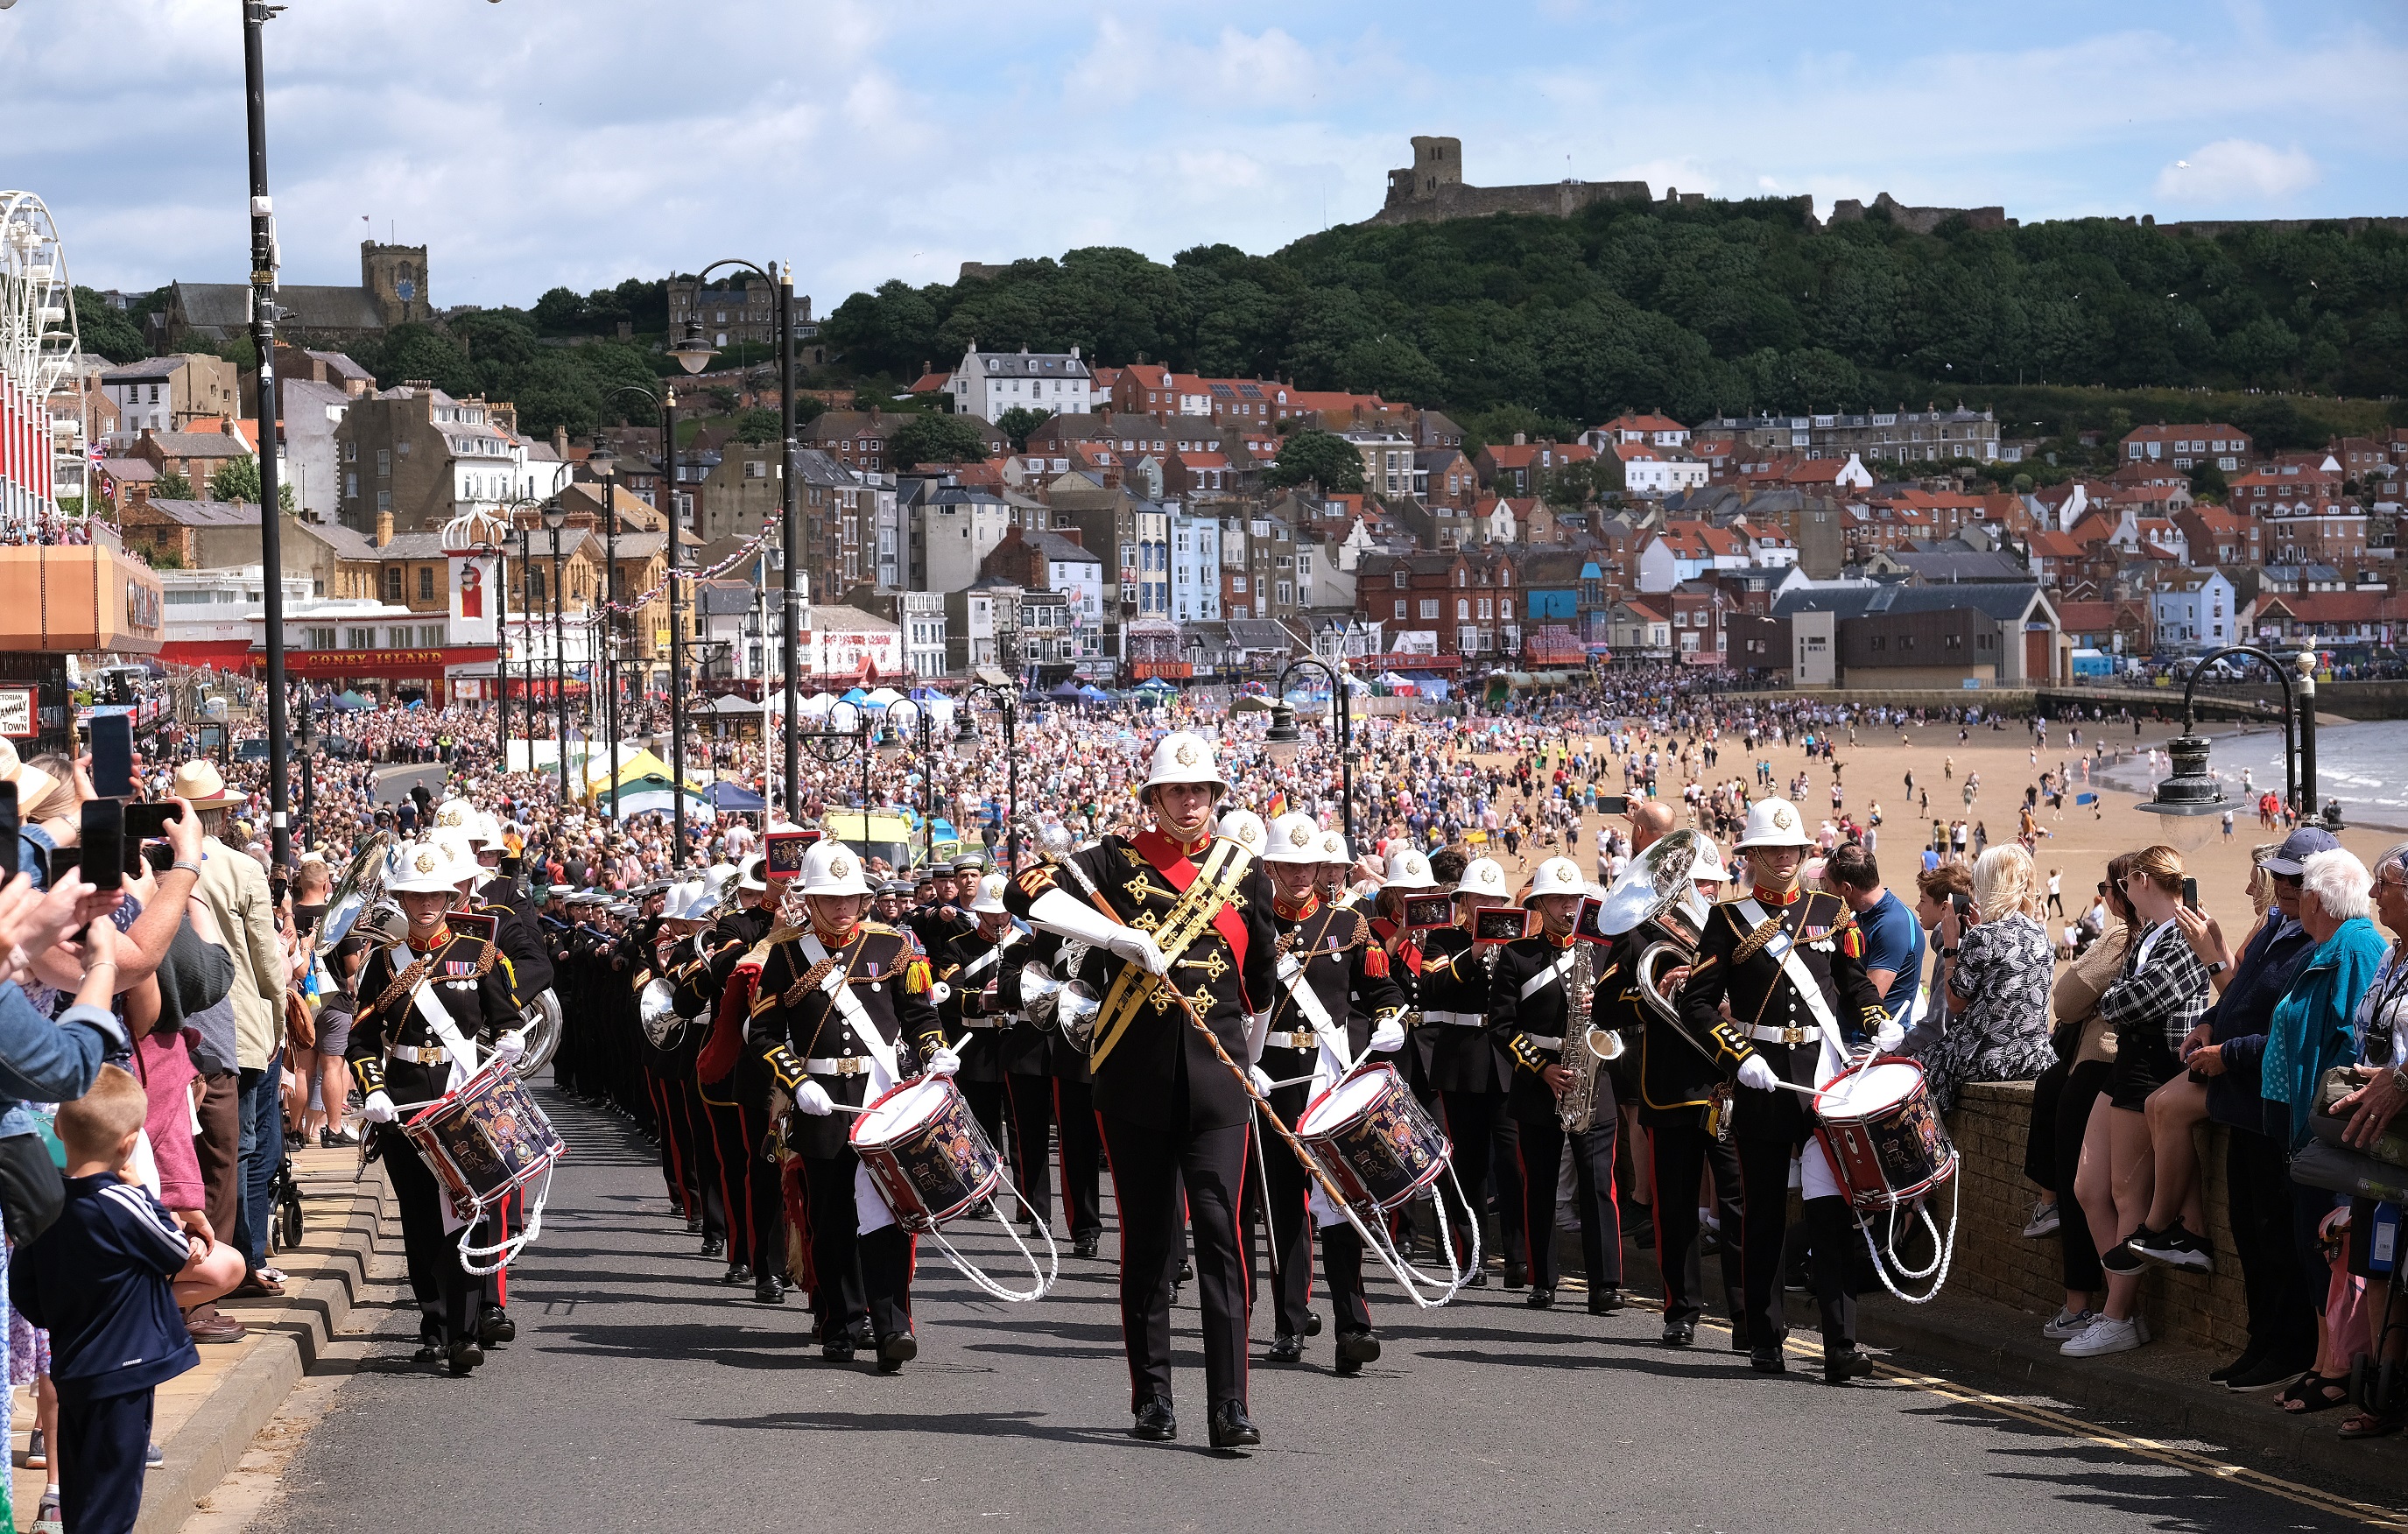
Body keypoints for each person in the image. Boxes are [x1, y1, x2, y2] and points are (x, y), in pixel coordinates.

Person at [1002, 731, 1275, 1450]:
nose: (1190, 804)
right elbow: (1023, 888)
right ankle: (1153, 1395)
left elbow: (1262, 989)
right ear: (1152, 798)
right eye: (1176, 792)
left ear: (1216, 799)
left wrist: (1248, 1067)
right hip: (1133, 1081)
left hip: (1219, 1088)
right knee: (1150, 1243)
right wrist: (1116, 939)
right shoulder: (1111, 862)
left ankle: (1230, 1405)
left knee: (1222, 1239)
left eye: (1201, 792)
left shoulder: (1246, 873)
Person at [1680, 796, 1892, 1385]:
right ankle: (1765, 1337)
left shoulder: (1831, 910)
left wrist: (1878, 1019)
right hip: (1763, 1080)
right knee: (1765, 1216)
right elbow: (1696, 1003)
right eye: (1770, 849)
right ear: (1749, 856)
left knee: (1831, 1215)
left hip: (1822, 1079)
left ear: (1804, 854)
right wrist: (1738, 1054)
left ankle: (1841, 1344)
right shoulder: (1726, 921)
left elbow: (1852, 982)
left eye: (1791, 849)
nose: (1782, 857)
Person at [11, 1066, 242, 1534]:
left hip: (73, 1366)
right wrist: (142, 1191)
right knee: (115, 1493)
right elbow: (174, 1251)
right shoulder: (123, 1199)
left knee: (80, 1487)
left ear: (59, 1128)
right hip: (127, 1370)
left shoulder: (44, 1208)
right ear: (128, 1143)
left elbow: (26, 1293)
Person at [751, 840, 944, 1372]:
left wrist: (935, 1052)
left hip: (880, 1098)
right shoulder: (786, 956)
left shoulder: (890, 946)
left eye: (852, 898)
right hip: (820, 1104)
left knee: (889, 1215)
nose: (843, 908)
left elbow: (918, 1016)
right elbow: (763, 1033)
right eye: (831, 899)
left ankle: (893, 1326)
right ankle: (840, 1320)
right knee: (832, 1218)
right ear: (809, 901)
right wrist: (794, 1082)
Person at [348, 841, 531, 1374]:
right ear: (401, 899)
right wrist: (373, 1088)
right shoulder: (384, 963)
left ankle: (467, 1329)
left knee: (472, 1213)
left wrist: (511, 1036)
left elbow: (506, 1015)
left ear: (449, 896)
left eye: (434, 895)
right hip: (404, 1098)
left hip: (464, 1093)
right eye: (414, 895)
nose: (425, 904)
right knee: (422, 1218)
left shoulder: (480, 953)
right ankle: (434, 1324)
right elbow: (360, 1039)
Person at [1250, 812, 1407, 1372]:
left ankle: (1354, 1325)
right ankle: (1290, 1324)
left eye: (1308, 864)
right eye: (1288, 865)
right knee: (1285, 1207)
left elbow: (1380, 985)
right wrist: (1248, 1061)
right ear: (1270, 866)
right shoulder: (1250, 926)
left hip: (1332, 1072)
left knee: (1343, 1202)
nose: (1299, 874)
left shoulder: (1347, 924)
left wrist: (1389, 1018)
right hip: (1274, 1077)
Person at [2164, 834, 2321, 1390]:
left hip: (2270, 1107)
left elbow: (2290, 1034)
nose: (2281, 887)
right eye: (2278, 876)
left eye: (2294, 880)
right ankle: (2260, 1340)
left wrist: (2226, 1052)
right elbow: (2238, 997)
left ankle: (2288, 1347)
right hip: (2241, 1104)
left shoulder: (2316, 945)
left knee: (2276, 1234)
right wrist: (2211, 1020)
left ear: (2320, 887)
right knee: (2249, 1232)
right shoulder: (2275, 930)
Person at [2065, 845, 2214, 1358]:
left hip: (2156, 1065)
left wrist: (2110, 999)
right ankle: (2117, 1306)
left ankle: (2119, 1316)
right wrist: (2117, 998)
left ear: (2145, 880)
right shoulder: (2149, 932)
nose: (2122, 893)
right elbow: (2127, 996)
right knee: (2088, 1187)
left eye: (2126, 884)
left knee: (2128, 1195)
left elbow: (2135, 999)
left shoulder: (2185, 929)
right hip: (2130, 1060)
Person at [1614, 837, 1746, 1349]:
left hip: (1725, 1081)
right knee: (1674, 1206)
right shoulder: (1638, 933)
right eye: (1697, 882)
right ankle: (1681, 1310)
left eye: (1712, 883)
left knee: (1738, 1203)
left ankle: (1745, 1312)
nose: (1703, 892)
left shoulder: (1734, 928)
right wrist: (1658, 991)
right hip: (1669, 1086)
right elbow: (1609, 1003)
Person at [1489, 856, 1626, 1316]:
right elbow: (1502, 1029)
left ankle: (1605, 1283)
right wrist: (1540, 1071)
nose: (1569, 907)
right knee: (1541, 1184)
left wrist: (1602, 1009)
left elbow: (1624, 1015)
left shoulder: (1601, 950)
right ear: (1540, 904)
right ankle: (1542, 1278)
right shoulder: (1517, 955)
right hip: (1539, 1080)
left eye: (1574, 899)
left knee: (1597, 1185)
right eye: (1559, 900)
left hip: (1592, 1076)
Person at [1418, 854, 1525, 1286]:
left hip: (1505, 1059)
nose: (1486, 906)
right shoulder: (1443, 939)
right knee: (1468, 1164)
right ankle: (1473, 1254)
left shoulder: (1515, 944)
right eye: (1478, 898)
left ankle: (1519, 1258)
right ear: (1462, 901)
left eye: (1493, 899)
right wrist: (1475, 951)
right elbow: (1431, 987)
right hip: (1462, 1059)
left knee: (1512, 1164)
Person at [1910, 844, 2055, 1117]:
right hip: (2033, 1055)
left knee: (1913, 1075)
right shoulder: (2040, 934)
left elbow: (1954, 1003)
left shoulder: (1984, 936)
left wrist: (1952, 946)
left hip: (1988, 1056)